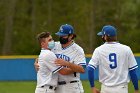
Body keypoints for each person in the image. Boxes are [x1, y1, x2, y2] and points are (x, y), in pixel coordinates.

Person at [34, 24, 86, 93]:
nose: (61, 37)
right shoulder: (54, 45)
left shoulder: (78, 50)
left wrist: (67, 64)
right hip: (57, 87)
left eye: (63, 35)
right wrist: (36, 62)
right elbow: (44, 56)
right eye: (60, 35)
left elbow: (82, 69)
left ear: (71, 36)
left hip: (72, 86)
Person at [87, 25, 139, 93]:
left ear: (105, 37)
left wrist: (92, 87)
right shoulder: (126, 49)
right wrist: (136, 89)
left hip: (106, 89)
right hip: (121, 89)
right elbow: (133, 71)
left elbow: (90, 69)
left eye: (102, 35)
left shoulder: (98, 50)